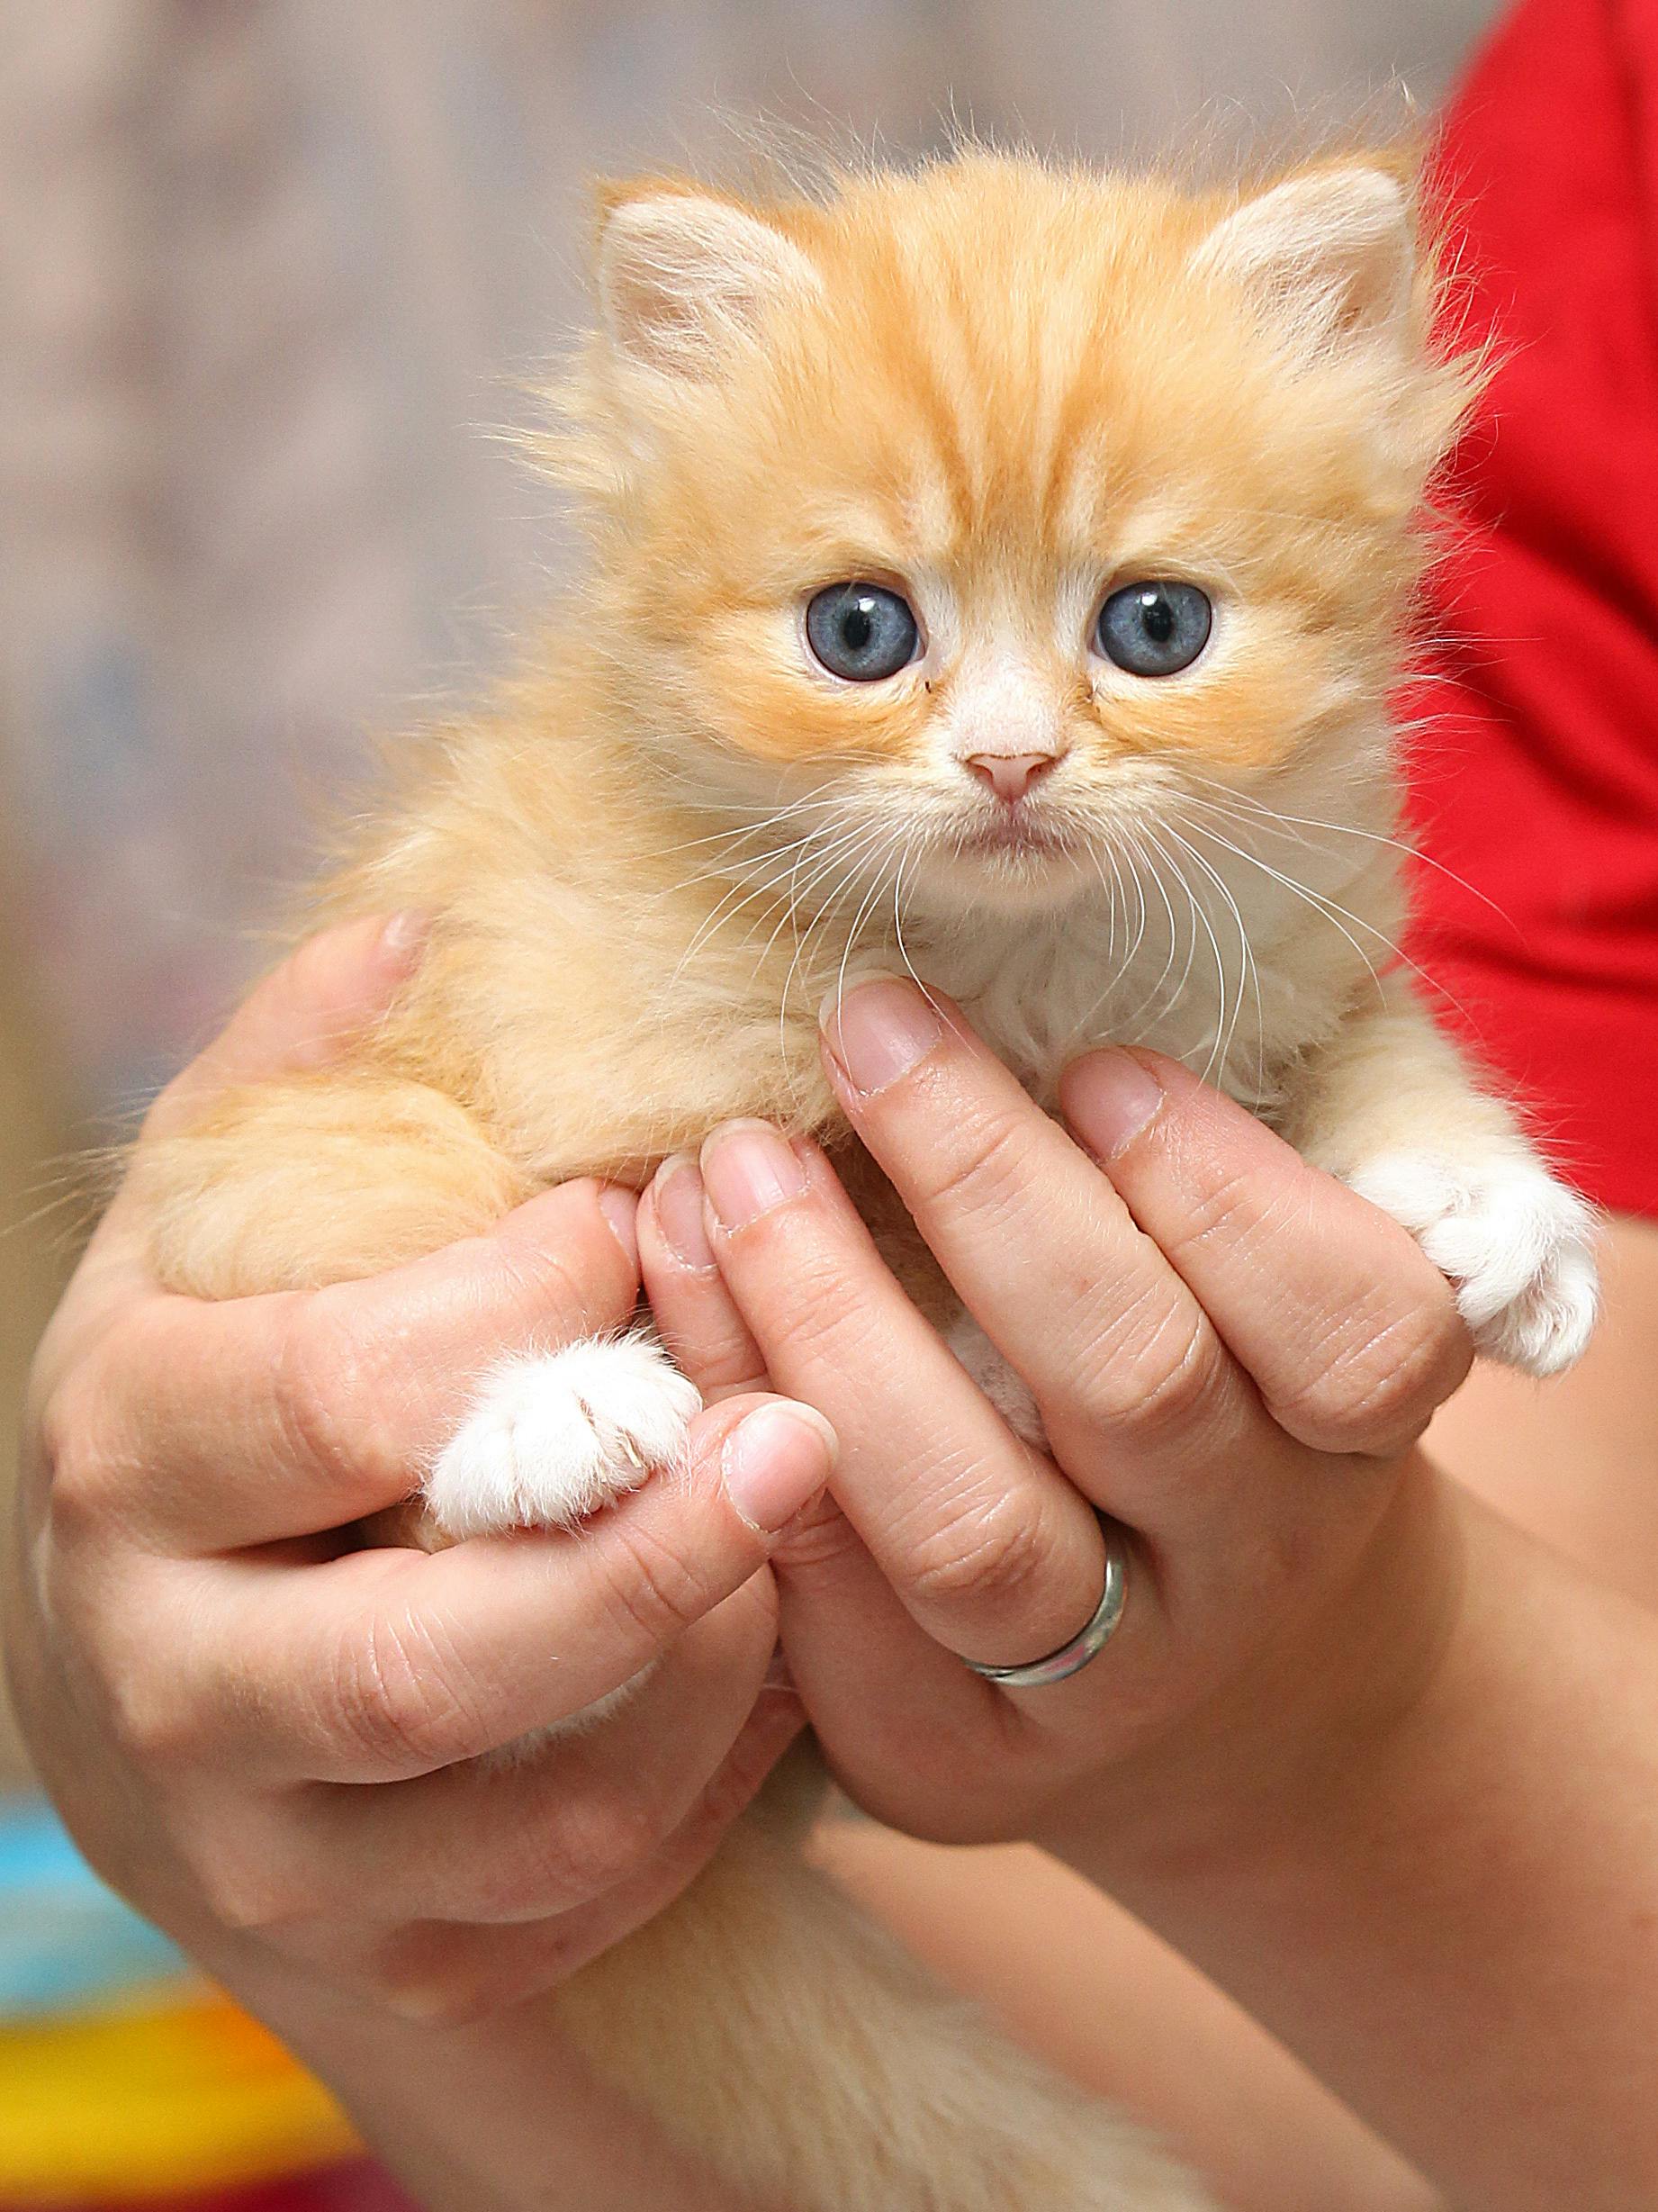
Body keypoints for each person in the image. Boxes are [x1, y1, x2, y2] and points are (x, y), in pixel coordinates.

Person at [9, 1, 1658, 2206]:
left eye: (1147, 622)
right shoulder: (644, 902)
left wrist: (1422, 1170)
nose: (1006, 741)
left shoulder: (1287, 861)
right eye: (866, 627)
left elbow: (1333, 1028)